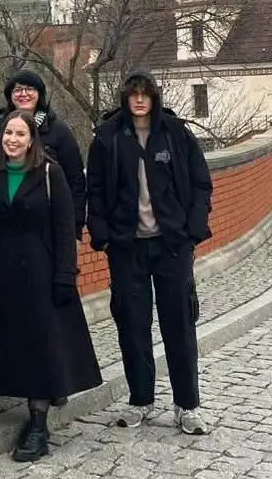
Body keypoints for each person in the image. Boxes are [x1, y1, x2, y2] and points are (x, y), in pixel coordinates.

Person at [86, 70, 212, 435]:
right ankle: (140, 399)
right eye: (133, 93)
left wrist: (193, 228)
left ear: (154, 98)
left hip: (171, 244)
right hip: (127, 247)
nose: (139, 100)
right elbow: (95, 190)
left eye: (145, 94)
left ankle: (187, 405)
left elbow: (201, 182)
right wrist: (102, 235)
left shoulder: (175, 134)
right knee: (133, 326)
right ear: (125, 98)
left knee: (180, 325)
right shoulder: (108, 138)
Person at [0, 110, 101, 462]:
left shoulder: (50, 173)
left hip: (43, 272)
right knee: (18, 345)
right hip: (6, 277)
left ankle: (38, 424)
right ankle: (33, 399)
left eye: (20, 134)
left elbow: (65, 229)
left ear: (32, 139)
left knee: (43, 346)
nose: (12, 139)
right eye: (7, 134)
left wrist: (66, 275)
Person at [0, 69, 86, 240]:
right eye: (17, 90)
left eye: (30, 88)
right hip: (8, 229)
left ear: (40, 94)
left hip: (52, 226)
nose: (24, 94)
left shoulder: (59, 131)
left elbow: (76, 180)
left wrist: (75, 228)